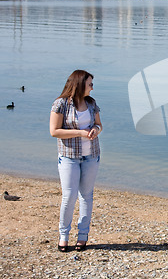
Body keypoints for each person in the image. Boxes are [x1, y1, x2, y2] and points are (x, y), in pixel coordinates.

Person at [49, 70, 102, 252]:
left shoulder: (91, 103)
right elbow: (54, 131)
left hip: (91, 156)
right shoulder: (61, 104)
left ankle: (82, 236)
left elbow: (99, 124)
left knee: (86, 196)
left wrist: (96, 129)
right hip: (69, 157)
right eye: (90, 84)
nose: (92, 87)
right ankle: (63, 236)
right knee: (69, 196)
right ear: (80, 84)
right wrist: (80, 132)